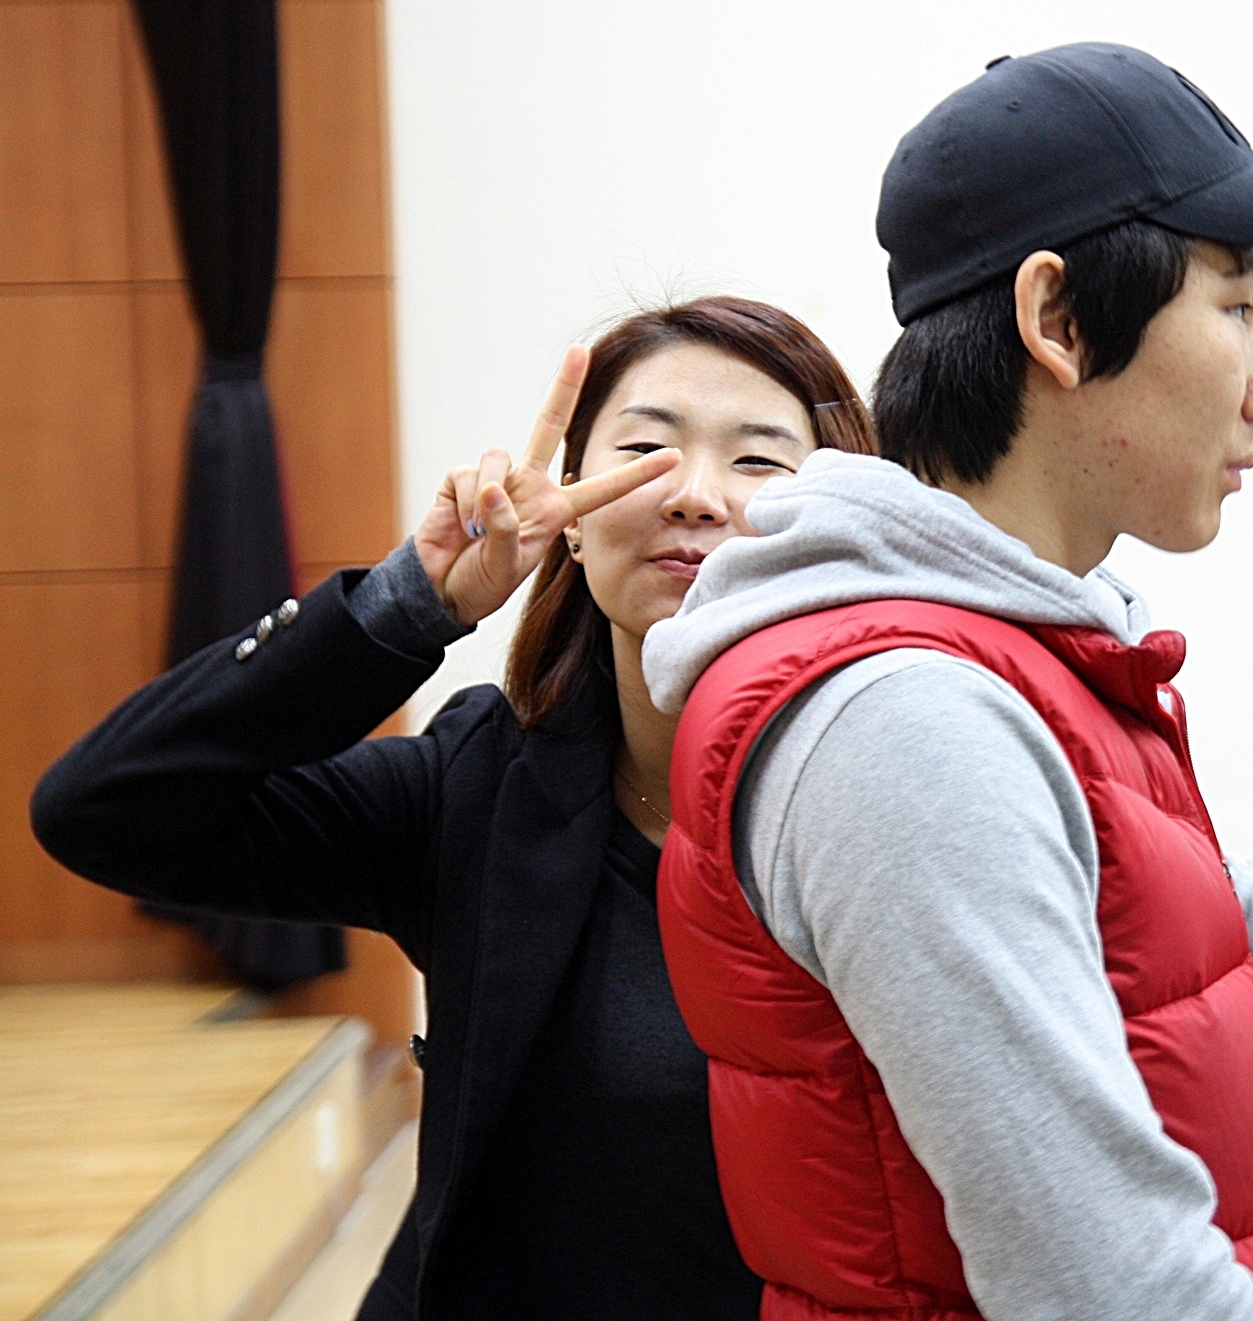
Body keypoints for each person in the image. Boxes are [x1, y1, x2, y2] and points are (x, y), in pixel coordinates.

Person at [646, 44, 1253, 1321]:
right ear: (1056, 321)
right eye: (1237, 307)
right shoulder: (906, 722)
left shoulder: (1014, 657)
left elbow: (1202, 999)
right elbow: (1103, 1275)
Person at [33, 297, 876, 1320]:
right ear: (571, 519)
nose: (696, 495)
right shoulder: (479, 788)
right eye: (645, 451)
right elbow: (105, 807)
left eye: (757, 461)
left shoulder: (906, 803)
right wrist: (409, 601)